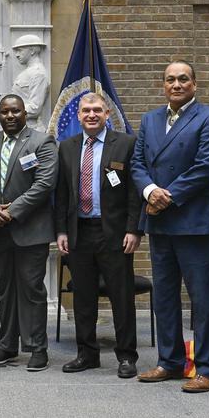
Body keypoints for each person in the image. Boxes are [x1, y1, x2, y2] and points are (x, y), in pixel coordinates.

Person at [130, 60, 209, 393]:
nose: (176, 84)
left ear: (194, 85)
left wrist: (167, 196)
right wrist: (149, 191)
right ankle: (169, 362)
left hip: (193, 221)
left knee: (202, 298)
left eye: (183, 79)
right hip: (158, 221)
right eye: (170, 79)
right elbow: (137, 163)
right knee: (166, 297)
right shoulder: (149, 119)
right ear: (163, 85)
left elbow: (206, 166)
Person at [54, 92, 143, 378]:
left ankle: (127, 356)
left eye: (97, 110)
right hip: (79, 232)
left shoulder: (126, 144)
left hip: (115, 233)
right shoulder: (67, 147)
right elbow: (62, 193)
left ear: (107, 114)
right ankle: (87, 354)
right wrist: (61, 231)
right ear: (78, 116)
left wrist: (134, 229)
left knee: (121, 296)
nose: (91, 115)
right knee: (82, 297)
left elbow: (133, 192)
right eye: (85, 111)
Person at [0, 94, 58, 371]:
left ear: (25, 113)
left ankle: (37, 348)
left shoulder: (41, 142)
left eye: (15, 111)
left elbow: (44, 184)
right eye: (5, 112)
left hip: (29, 229)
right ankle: (7, 345)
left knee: (32, 289)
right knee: (5, 288)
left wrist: (12, 210)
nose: (10, 116)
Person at [10, 35, 50, 130]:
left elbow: (35, 108)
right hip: (20, 127)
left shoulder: (38, 73)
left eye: (20, 50)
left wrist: (8, 110)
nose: (17, 55)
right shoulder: (28, 72)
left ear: (32, 51)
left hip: (31, 130)